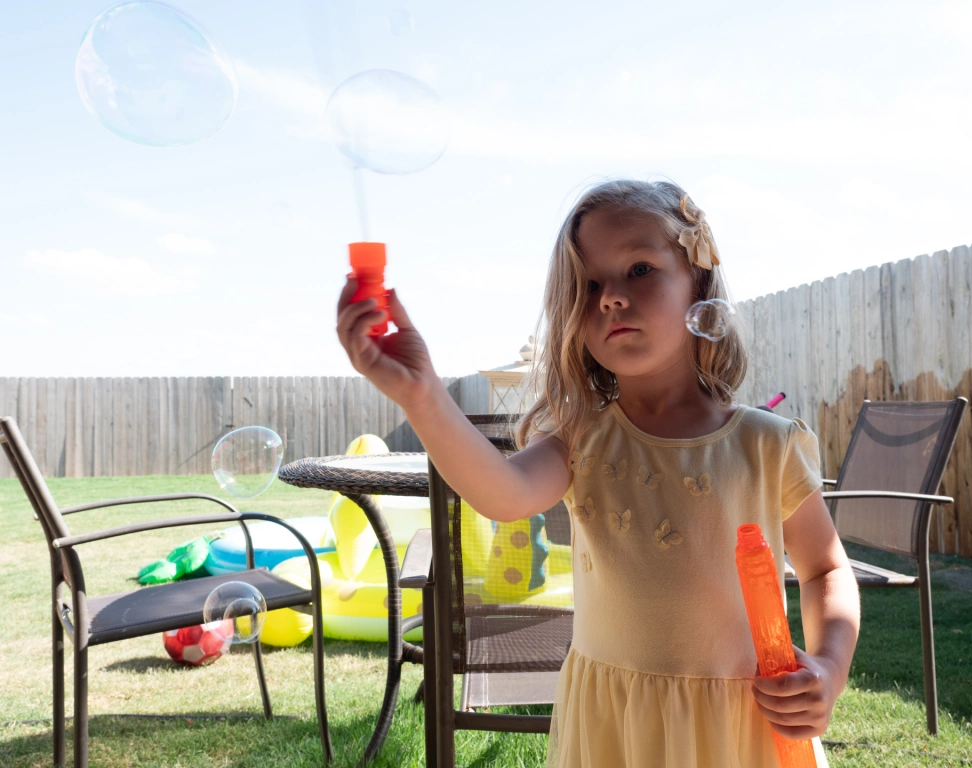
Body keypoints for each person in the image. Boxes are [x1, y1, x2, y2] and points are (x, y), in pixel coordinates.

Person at [336, 178, 860, 768]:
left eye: (638, 269)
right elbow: (502, 494)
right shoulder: (582, 441)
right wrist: (422, 394)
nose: (610, 296)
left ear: (700, 281)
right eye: (588, 285)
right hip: (617, 725)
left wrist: (829, 667)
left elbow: (825, 569)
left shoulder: (768, 446)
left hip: (741, 726)